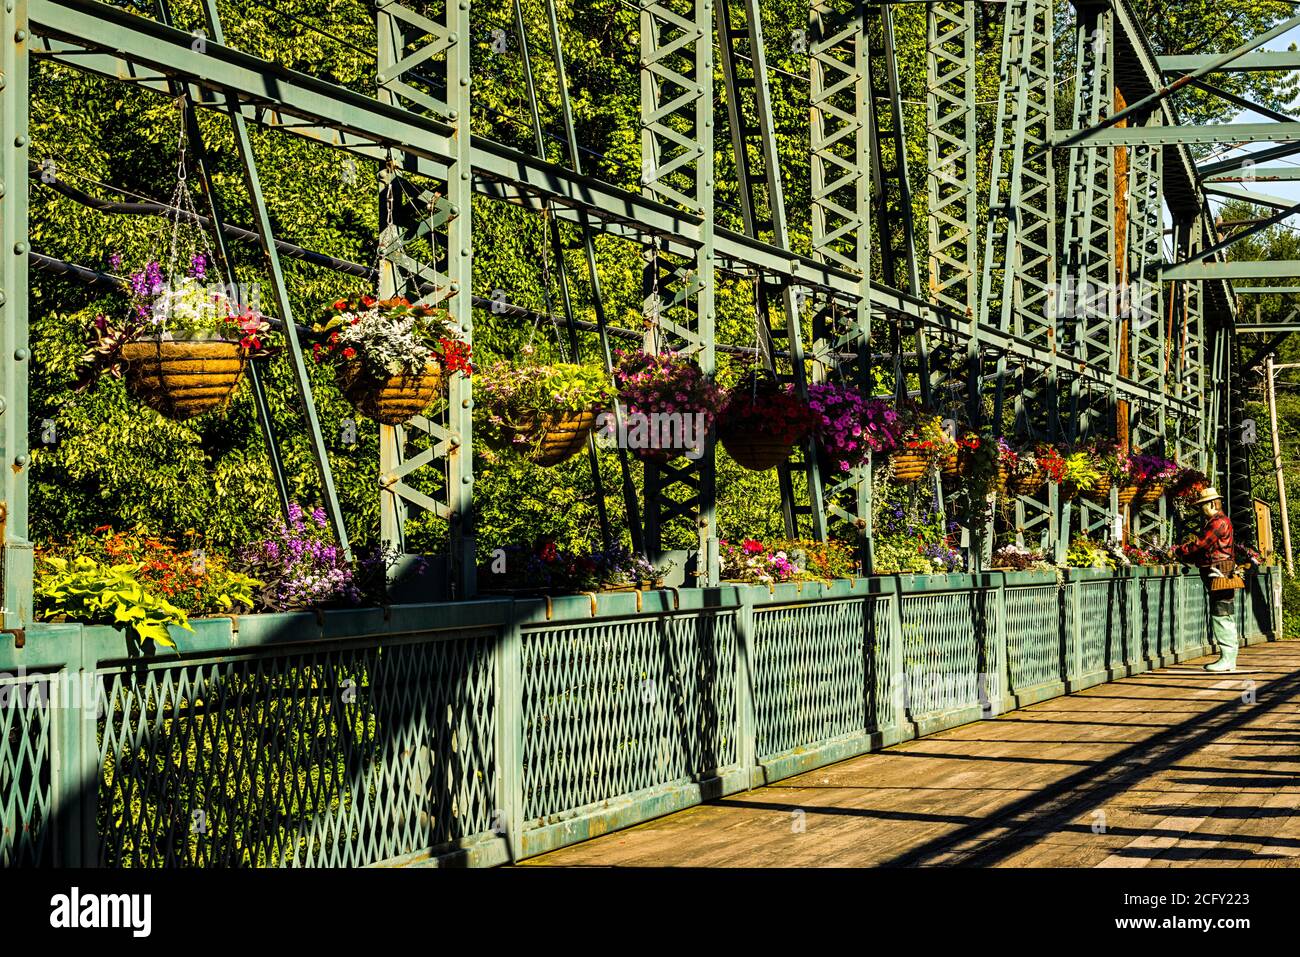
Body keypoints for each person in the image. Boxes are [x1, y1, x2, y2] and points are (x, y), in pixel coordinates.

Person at [1171, 487, 1243, 672]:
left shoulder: (1217, 523)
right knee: (1223, 612)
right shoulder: (1219, 521)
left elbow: (1201, 544)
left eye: (1202, 505)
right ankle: (1228, 657)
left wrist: (1180, 551)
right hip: (1220, 571)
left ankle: (1227, 659)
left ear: (1212, 504)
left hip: (1219, 574)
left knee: (1221, 613)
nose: (1201, 509)